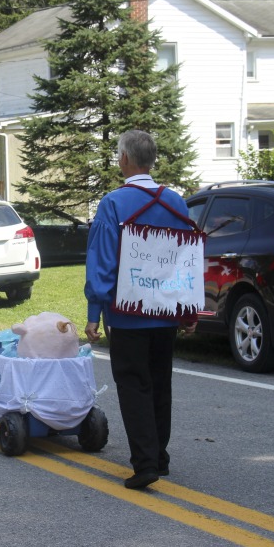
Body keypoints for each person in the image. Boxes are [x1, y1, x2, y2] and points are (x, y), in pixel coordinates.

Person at [84, 130, 199, 490]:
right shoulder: (177, 202)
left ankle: (145, 463)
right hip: (166, 308)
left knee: (134, 385)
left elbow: (101, 261)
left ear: (124, 160)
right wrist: (188, 310)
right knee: (160, 381)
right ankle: (159, 457)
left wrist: (93, 311)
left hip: (128, 311)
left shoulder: (113, 204)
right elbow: (186, 258)